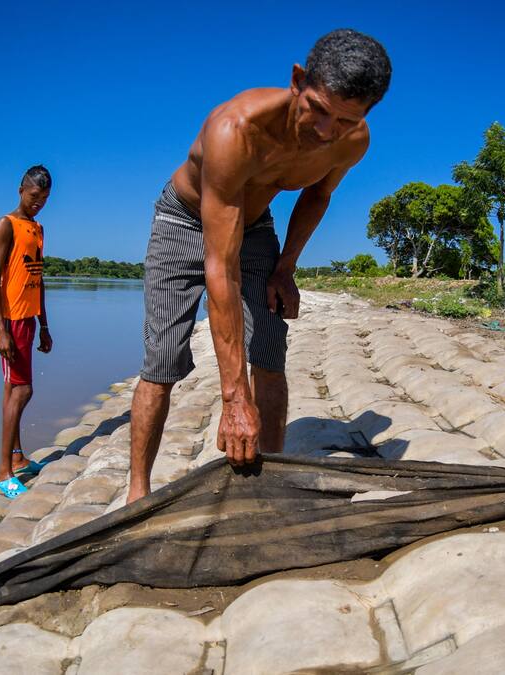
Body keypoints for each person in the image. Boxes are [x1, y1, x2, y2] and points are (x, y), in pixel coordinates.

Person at [126, 29, 392, 503]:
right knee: (162, 360)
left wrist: (285, 267)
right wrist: (233, 399)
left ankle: (268, 486)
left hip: (254, 225)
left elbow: (318, 194)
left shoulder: (352, 141)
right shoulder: (235, 130)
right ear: (297, 80)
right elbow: (221, 269)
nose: (325, 130)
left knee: (269, 350)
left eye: (345, 120)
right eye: (318, 109)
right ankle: (136, 492)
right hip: (182, 221)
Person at [0, 165, 54, 498]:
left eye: (44, 198)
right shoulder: (6, 225)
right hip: (11, 320)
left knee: (11, 390)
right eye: (34, 196)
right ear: (21, 190)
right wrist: (1, 329)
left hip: (28, 319)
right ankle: (4, 472)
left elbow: (37, 279)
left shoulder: (38, 228)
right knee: (22, 390)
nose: (38, 203)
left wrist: (44, 325)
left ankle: (17, 457)